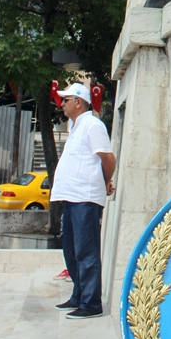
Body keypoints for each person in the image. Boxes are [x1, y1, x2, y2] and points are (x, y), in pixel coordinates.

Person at [51, 83, 116, 318]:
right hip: (71, 198)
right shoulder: (75, 125)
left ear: (78, 102)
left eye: (66, 99)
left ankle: (91, 303)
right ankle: (78, 295)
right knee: (71, 249)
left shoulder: (92, 125)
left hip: (85, 199)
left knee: (86, 252)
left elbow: (108, 159)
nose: (62, 103)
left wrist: (104, 181)